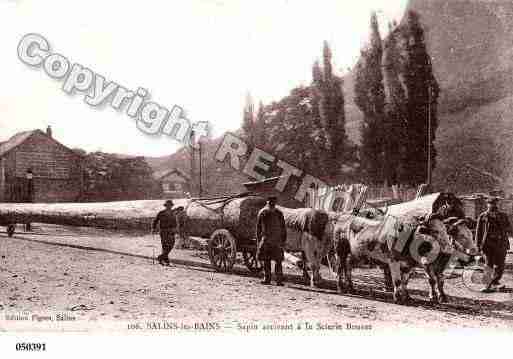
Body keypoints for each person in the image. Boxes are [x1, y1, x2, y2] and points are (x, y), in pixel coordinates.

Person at [475, 197, 512, 292]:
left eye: (495, 203)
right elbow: (478, 232)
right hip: (488, 244)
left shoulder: (503, 216)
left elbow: (509, 227)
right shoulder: (483, 216)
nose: (493, 205)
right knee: (488, 264)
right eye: (491, 203)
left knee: (500, 265)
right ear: (487, 204)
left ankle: (495, 282)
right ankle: (487, 285)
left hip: (501, 244)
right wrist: (477, 245)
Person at [256, 196, 287, 286]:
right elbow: (258, 228)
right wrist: (259, 240)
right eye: (270, 203)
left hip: (276, 240)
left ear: (275, 203)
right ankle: (267, 278)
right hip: (267, 240)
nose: (271, 205)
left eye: (273, 203)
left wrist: (283, 239)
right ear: (267, 203)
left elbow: (283, 227)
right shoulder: (263, 213)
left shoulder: (279, 213)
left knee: (278, 261)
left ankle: (278, 280)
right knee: (267, 260)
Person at [152, 200, 180, 266]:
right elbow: (155, 220)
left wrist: (175, 228)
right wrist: (153, 228)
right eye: (167, 205)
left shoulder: (173, 213)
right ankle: (165, 260)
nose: (169, 207)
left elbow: (175, 222)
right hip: (163, 231)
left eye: (170, 205)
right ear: (165, 206)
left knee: (171, 244)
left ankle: (161, 257)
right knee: (165, 245)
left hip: (171, 231)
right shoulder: (161, 213)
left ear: (171, 206)